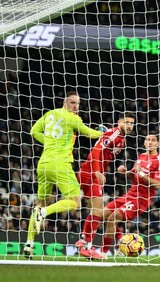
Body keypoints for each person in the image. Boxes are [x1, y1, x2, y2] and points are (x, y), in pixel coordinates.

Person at [23, 91, 103, 259]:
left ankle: (29, 244)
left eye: (78, 104)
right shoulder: (72, 118)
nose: (75, 106)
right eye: (73, 103)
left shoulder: (50, 114)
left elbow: (33, 131)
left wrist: (50, 142)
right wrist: (104, 133)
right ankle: (44, 213)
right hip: (60, 165)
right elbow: (88, 133)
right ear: (64, 102)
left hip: (44, 164)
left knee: (40, 202)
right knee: (75, 202)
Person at [74, 112, 136, 258]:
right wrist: (97, 171)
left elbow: (105, 152)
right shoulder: (113, 134)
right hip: (92, 173)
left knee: (97, 213)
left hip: (89, 171)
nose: (129, 126)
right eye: (126, 122)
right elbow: (96, 151)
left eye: (132, 123)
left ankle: (115, 239)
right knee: (97, 212)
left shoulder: (121, 140)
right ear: (118, 122)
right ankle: (85, 244)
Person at [99, 132, 160, 258]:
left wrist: (141, 174)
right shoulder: (141, 156)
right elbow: (132, 176)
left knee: (112, 219)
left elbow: (157, 185)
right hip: (130, 194)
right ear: (144, 143)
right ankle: (121, 239)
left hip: (141, 200)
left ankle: (102, 253)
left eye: (153, 140)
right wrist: (125, 172)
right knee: (102, 215)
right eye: (148, 140)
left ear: (157, 143)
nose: (150, 142)